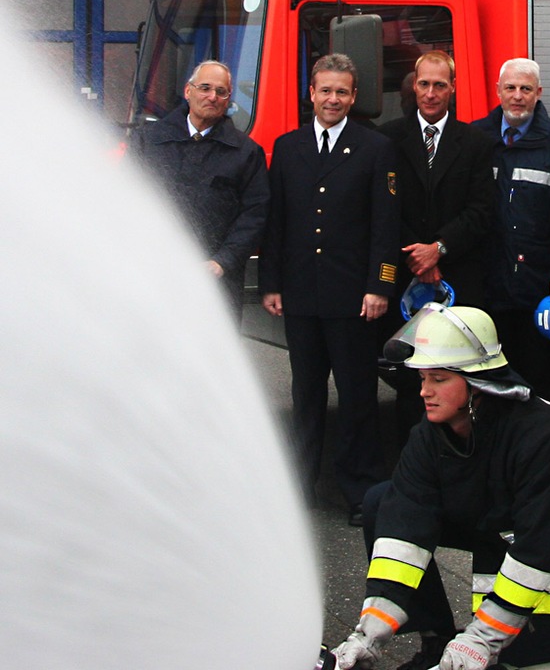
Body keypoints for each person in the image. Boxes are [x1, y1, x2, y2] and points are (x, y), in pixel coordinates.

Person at [331, 305, 550, 670]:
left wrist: (481, 639)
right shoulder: (430, 433)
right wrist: (367, 636)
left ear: (478, 383)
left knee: (522, 657)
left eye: (439, 379)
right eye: (423, 379)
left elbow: (541, 545)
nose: (425, 392)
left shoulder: (542, 434)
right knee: (382, 501)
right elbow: (405, 523)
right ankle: (435, 638)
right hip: (504, 518)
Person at [259, 52, 399, 524]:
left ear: (354, 97)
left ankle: (361, 492)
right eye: (325, 90)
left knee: (358, 397)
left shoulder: (374, 148)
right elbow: (276, 221)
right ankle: (299, 488)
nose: (333, 99)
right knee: (306, 396)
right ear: (311, 93)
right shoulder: (287, 146)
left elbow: (386, 226)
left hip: (353, 299)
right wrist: (271, 283)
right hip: (300, 294)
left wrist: (379, 286)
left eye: (342, 91)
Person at [380, 51, 497, 443]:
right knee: (411, 375)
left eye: (440, 85)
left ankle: (463, 454)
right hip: (406, 274)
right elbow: (383, 208)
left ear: (453, 88)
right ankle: (410, 460)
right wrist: (418, 255)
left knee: (459, 374)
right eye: (424, 84)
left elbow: (482, 210)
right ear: (414, 86)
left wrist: (439, 249)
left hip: (458, 274)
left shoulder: (476, 142)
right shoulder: (388, 139)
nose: (431, 93)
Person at [471, 58, 550, 405]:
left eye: (525, 89)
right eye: (510, 88)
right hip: (487, 284)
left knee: (540, 380)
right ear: (498, 91)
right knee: (488, 381)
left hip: (538, 286)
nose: (517, 96)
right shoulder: (476, 138)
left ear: (538, 93)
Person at [129, 59, 268, 321]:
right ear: (188, 91)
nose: (212, 97)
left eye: (221, 91)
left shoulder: (246, 152)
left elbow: (255, 215)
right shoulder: (148, 141)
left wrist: (223, 261)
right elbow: (124, 200)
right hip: (154, 274)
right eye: (205, 88)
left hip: (217, 280)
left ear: (228, 99)